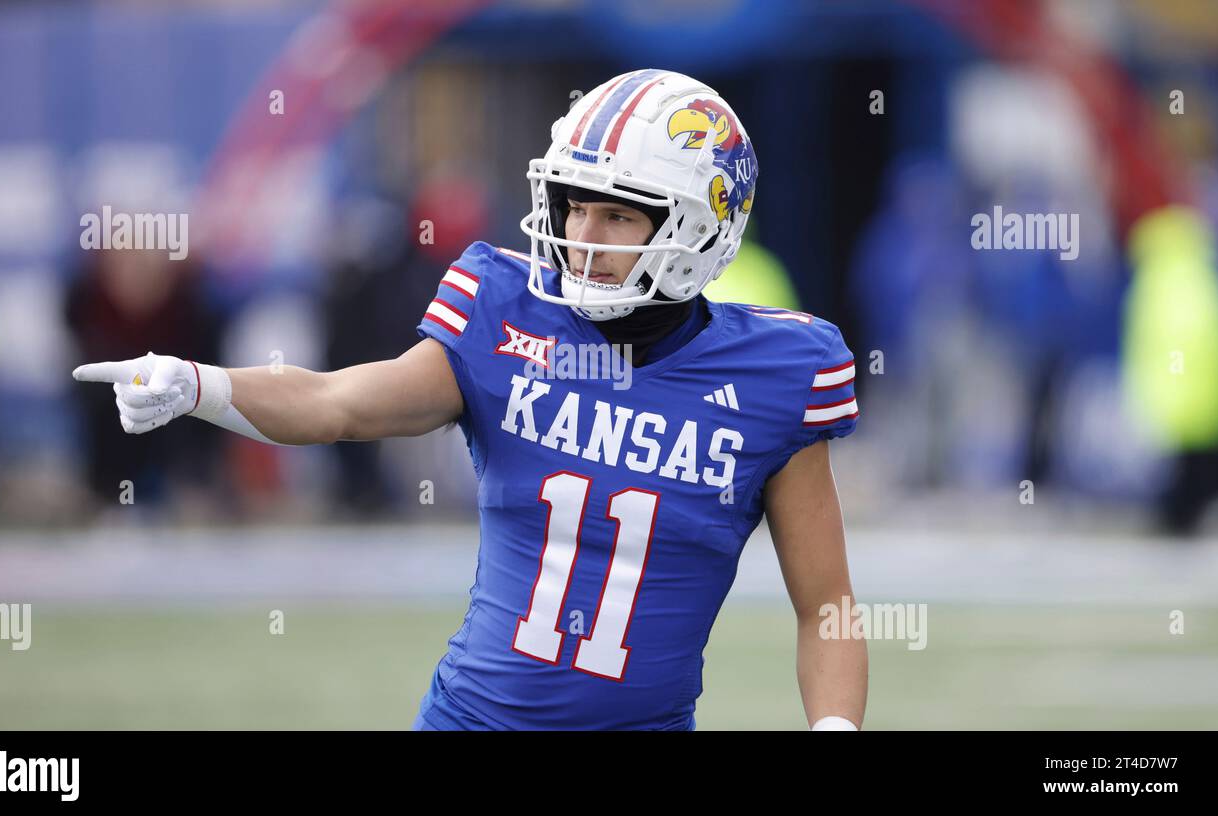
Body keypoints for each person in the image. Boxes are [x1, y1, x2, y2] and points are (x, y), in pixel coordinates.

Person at [73, 70, 867, 731]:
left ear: (700, 230)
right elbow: (337, 402)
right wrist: (199, 383)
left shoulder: (776, 374)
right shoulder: (506, 309)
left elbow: (827, 603)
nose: (583, 234)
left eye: (619, 214)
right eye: (574, 203)